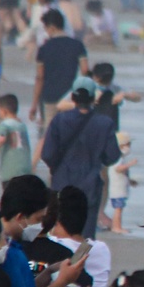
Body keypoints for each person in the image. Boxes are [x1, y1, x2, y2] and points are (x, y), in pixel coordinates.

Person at [40, 87, 122, 236]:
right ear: (93, 100)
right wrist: (98, 160)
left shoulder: (59, 120)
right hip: (89, 185)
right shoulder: (105, 123)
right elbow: (112, 156)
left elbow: (47, 153)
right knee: (87, 234)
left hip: (61, 182)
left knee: (60, 230)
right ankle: (82, 258)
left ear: (73, 99)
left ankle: (61, 258)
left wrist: (56, 168)